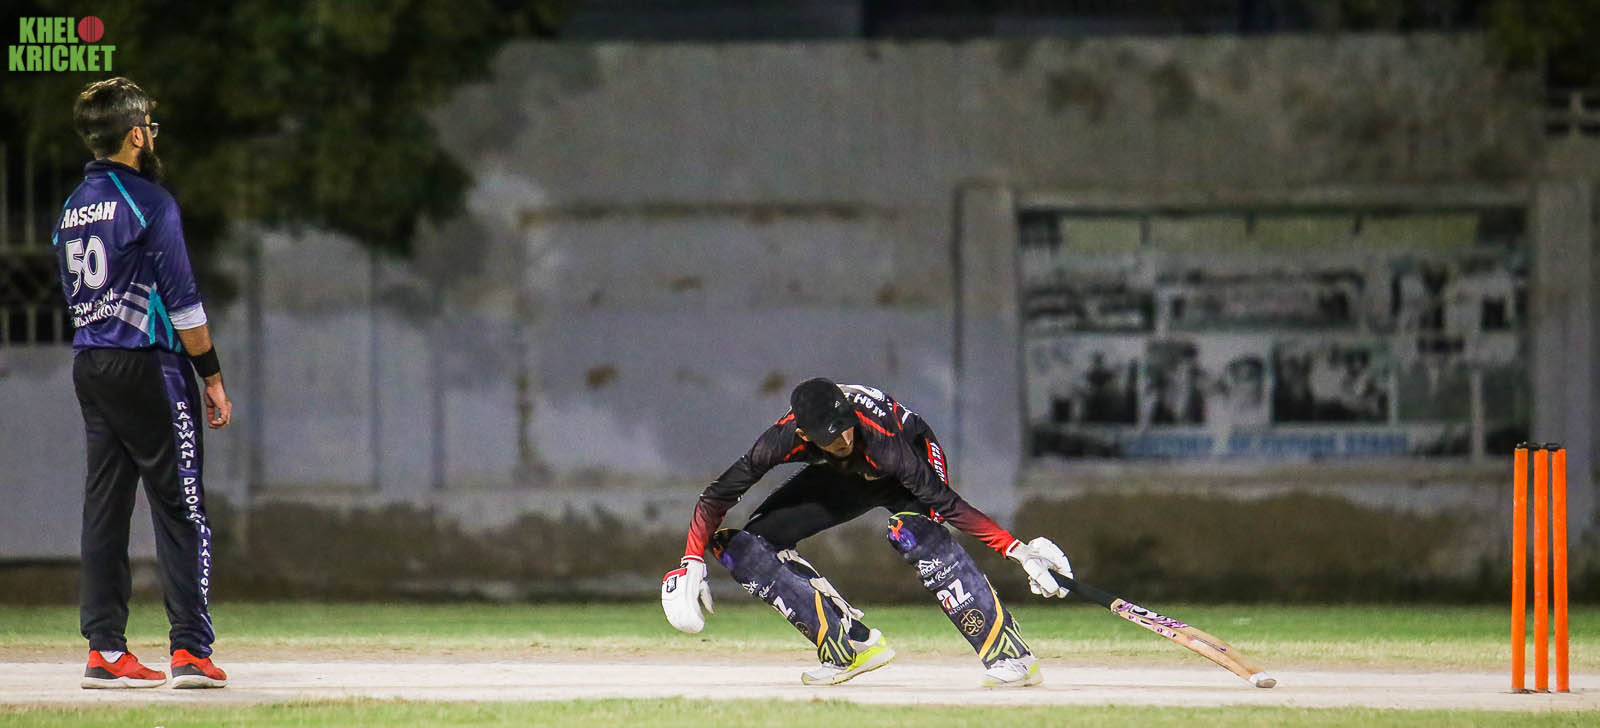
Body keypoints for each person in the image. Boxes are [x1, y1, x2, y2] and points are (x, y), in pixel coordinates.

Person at [661, 378, 1074, 687]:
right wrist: (691, 559)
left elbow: (947, 503)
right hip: (850, 474)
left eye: (845, 426)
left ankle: (1011, 657)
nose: (843, 437)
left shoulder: (879, 438)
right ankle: (852, 645)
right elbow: (717, 496)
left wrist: (1018, 551)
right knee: (749, 546)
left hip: (910, 455)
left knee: (914, 533)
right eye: (831, 435)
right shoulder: (781, 440)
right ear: (804, 436)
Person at [54, 77, 231, 689]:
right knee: (182, 506)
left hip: (91, 363)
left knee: (105, 508)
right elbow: (183, 304)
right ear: (135, 135)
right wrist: (211, 375)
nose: (153, 135)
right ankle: (191, 652)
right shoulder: (149, 202)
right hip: (149, 364)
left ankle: (104, 649)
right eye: (149, 126)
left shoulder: (73, 206)